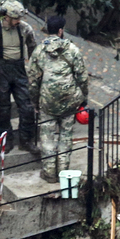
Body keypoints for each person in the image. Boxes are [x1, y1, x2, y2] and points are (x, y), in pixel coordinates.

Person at [29, 16, 88, 183]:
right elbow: (82, 77)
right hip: (69, 101)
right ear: (61, 31)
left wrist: (35, 102)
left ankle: (49, 174)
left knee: (47, 137)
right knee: (65, 136)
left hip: (47, 101)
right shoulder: (72, 50)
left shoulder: (39, 51)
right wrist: (83, 98)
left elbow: (33, 80)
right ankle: (63, 171)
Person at [0, 0, 38, 151]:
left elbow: (33, 50)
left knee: (27, 106)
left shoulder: (25, 29)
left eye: (19, 18)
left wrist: (34, 72)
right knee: (3, 108)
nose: (18, 21)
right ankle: (5, 139)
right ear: (6, 16)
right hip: (1, 69)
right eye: (15, 18)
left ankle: (26, 140)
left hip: (19, 69)